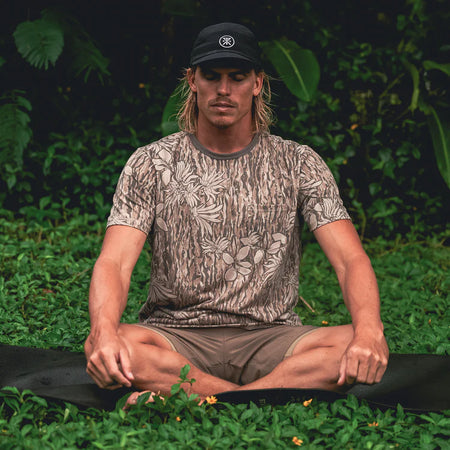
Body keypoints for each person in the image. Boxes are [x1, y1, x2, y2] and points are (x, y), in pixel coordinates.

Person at [84, 22, 389, 404]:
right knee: (112, 344)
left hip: (272, 336)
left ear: (258, 83)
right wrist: (104, 333)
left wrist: (369, 331)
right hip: (175, 335)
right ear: (192, 80)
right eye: (212, 76)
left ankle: (198, 397)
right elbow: (114, 263)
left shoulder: (298, 162)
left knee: (352, 341)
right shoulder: (152, 162)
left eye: (238, 77)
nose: (224, 89)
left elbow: (349, 260)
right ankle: (252, 399)